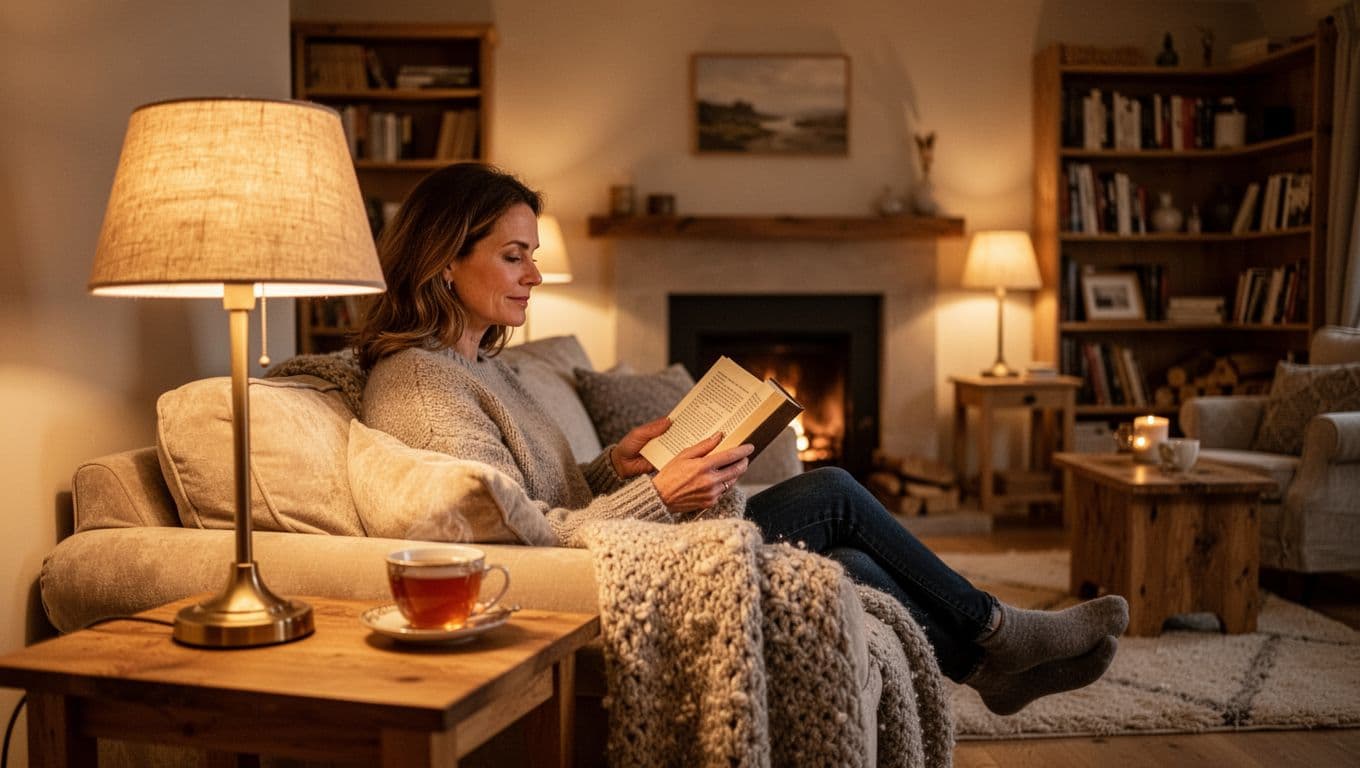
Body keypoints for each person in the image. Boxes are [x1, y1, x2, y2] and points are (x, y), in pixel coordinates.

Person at [356, 162, 1127, 715]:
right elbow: (511, 547)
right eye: (513, 255)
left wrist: (612, 465)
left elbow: (532, 497)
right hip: (602, 575)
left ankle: (987, 667)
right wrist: (658, 495)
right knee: (828, 492)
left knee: (853, 561)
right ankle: (999, 631)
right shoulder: (424, 384)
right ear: (443, 261)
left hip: (616, 541)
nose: (533, 275)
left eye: (535, 256)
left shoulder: (485, 364)